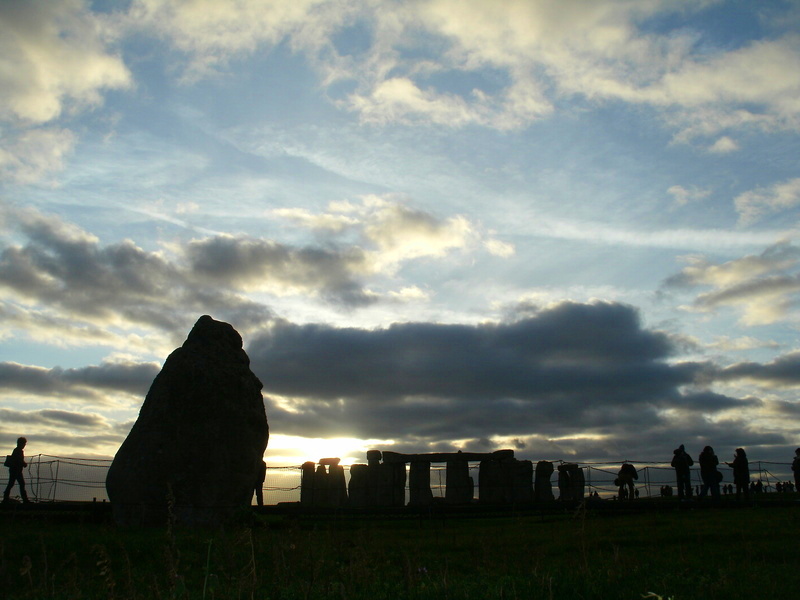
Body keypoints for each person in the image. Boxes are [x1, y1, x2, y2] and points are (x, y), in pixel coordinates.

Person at [3, 437, 30, 504]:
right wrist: (24, 464)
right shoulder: (18, 451)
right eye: (24, 444)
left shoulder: (17, 450)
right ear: (20, 443)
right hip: (16, 471)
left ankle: (6, 497)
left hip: (15, 470)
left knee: (12, 484)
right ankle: (25, 500)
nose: (24, 445)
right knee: (20, 484)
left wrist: (23, 463)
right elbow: (18, 460)